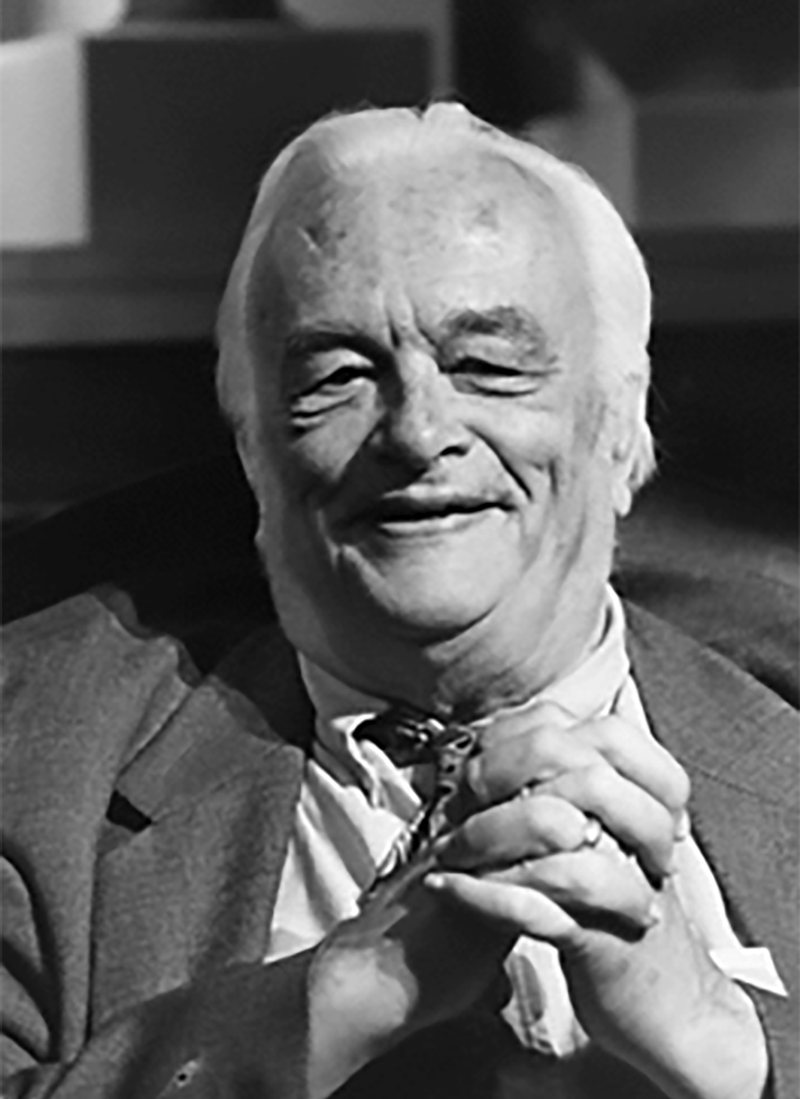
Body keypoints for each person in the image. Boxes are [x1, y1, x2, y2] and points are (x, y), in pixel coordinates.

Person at [1, 103, 796, 1099]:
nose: (418, 432)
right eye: (338, 375)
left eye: (486, 365)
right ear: (252, 446)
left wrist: (733, 1044)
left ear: (621, 425)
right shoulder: (32, 773)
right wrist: (333, 1000)